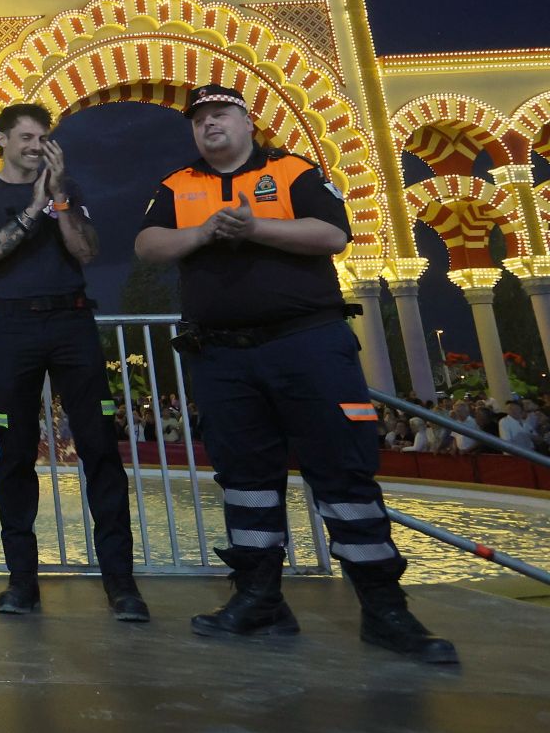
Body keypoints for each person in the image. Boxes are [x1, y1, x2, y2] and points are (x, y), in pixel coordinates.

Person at [136, 84, 455, 663]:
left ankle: (385, 609)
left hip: (307, 343)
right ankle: (260, 599)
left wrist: (253, 227)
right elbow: (148, 244)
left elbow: (333, 234)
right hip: (223, 355)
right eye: (200, 119)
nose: (209, 125)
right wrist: (205, 231)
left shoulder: (292, 171)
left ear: (247, 122)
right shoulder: (178, 185)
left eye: (221, 114)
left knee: (342, 470)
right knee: (244, 478)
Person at [0, 104, 146, 621]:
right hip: (13, 325)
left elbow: (85, 252)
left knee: (100, 449)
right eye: (25, 137)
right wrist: (32, 208)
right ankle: (22, 582)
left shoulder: (68, 190)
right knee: (15, 454)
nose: (35, 146)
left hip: (71, 321)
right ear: (1, 140)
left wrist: (58, 200)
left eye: (43, 138)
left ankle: (121, 583)